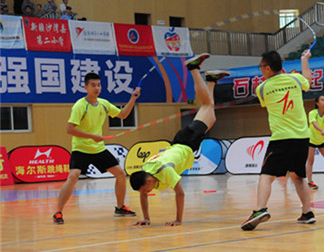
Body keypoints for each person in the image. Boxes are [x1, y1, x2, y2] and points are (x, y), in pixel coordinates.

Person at [129, 54, 230, 226]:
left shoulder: (164, 171)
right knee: (210, 115)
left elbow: (180, 193)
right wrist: (146, 218)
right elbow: (143, 195)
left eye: (144, 189)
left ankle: (193, 69)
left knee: (208, 107)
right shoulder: (146, 170)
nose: (145, 193)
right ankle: (212, 81)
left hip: (187, 142)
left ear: (148, 181)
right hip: (180, 142)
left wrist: (178, 220)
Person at [52, 72, 141, 224]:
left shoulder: (104, 104)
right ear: (86, 87)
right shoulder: (80, 106)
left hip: (98, 149)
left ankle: (120, 207)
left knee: (120, 174)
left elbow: (123, 114)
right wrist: (91, 136)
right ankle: (58, 212)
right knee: (73, 177)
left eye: (99, 85)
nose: (97, 88)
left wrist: (133, 98)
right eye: (93, 85)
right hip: (81, 149)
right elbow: (70, 129)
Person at [240, 50, 315, 231]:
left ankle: (260, 210)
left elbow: (268, 103)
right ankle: (307, 213)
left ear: (267, 68)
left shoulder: (262, 89)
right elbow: (308, 80)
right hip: (302, 138)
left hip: (281, 139)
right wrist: (304, 60)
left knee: (266, 175)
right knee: (298, 176)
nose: (260, 70)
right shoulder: (296, 80)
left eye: (260, 67)